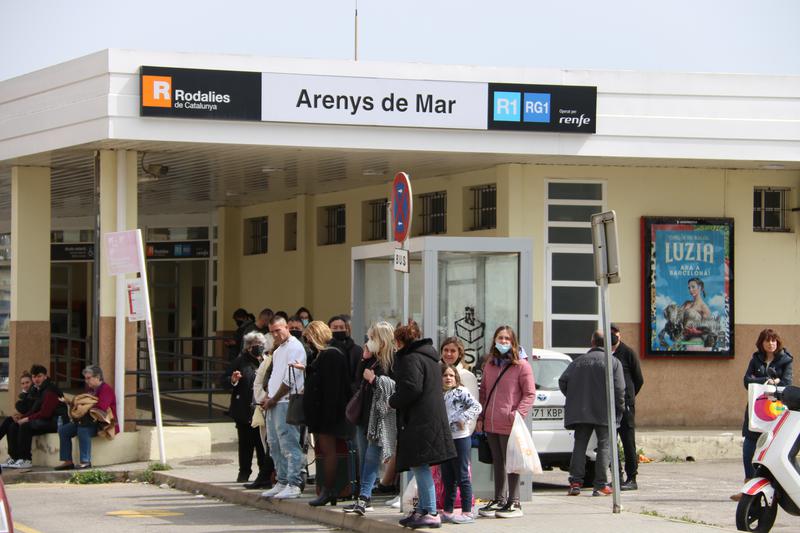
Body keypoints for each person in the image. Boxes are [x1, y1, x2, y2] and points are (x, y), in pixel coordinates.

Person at [389, 322, 456, 529]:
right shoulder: (429, 358)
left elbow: (411, 388)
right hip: (429, 419)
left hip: (418, 421)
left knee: (420, 466)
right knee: (421, 465)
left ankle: (431, 512)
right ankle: (422, 510)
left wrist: (393, 400)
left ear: (399, 342)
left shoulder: (410, 359)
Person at [476, 325, 535, 518]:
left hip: (510, 423)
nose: (503, 342)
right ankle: (499, 498)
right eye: (500, 338)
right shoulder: (490, 364)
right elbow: (484, 392)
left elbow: (529, 394)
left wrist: (516, 414)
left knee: (512, 462)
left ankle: (514, 502)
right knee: (498, 462)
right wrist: (481, 416)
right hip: (491, 423)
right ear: (494, 340)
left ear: (513, 342)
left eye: (506, 339)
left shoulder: (521, 365)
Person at [560, 331, 625, 497]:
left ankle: (575, 483)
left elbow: (563, 381)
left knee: (580, 444)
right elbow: (619, 389)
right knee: (605, 445)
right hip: (605, 411)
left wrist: (575, 397)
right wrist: (620, 408)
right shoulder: (613, 362)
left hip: (582, 410)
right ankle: (601, 485)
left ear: (592, 342)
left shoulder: (578, 362)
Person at [733, 328, 793, 501]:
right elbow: (747, 380)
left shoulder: (785, 360)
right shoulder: (756, 359)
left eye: (773, 341)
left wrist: (774, 381)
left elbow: (787, 383)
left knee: (770, 451)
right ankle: (748, 488)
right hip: (755, 410)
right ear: (762, 343)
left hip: (775, 411)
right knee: (748, 449)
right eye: (767, 341)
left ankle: (770, 488)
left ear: (778, 342)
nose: (771, 344)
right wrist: (766, 381)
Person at [297, 321, 354, 506]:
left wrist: (326, 417)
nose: (308, 344)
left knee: (328, 452)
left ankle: (329, 490)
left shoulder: (330, 355)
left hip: (328, 416)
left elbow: (332, 390)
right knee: (326, 451)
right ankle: (328, 490)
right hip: (325, 414)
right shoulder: (327, 355)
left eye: (309, 339)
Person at [343, 321, 397, 515]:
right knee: (363, 456)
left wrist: (374, 379)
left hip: (379, 417)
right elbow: (358, 381)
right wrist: (364, 359)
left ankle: (364, 497)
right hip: (363, 415)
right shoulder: (371, 358)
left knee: (371, 458)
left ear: (382, 340)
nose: (369, 341)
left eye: (373, 337)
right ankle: (362, 496)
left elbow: (390, 387)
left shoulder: (391, 360)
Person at [260, 316, 307, 500]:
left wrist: (273, 398)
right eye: (272, 331)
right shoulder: (279, 350)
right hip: (275, 401)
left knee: (289, 443)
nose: (275, 334)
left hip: (286, 401)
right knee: (274, 443)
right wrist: (267, 396)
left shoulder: (295, 347)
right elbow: (274, 376)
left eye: (278, 330)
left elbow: (290, 378)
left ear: (287, 327)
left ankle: (294, 483)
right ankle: (282, 480)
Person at [227, 332, 274, 488]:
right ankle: (244, 472)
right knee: (245, 444)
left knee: (262, 444)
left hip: (261, 409)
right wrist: (233, 380)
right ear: (248, 347)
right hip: (244, 410)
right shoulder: (240, 362)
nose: (258, 348)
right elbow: (223, 380)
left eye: (261, 344)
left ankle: (264, 474)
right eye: (254, 345)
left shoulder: (268, 361)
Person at [53, 365, 118, 470]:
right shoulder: (90, 389)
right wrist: (71, 403)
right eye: (85, 378)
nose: (86, 381)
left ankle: (85, 461)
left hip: (102, 424)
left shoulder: (106, 389)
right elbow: (83, 404)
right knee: (64, 430)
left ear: (97, 377)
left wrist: (83, 408)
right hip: (86, 421)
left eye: (89, 378)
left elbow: (100, 408)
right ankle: (68, 461)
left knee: (83, 430)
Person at [440, 364, 482, 524]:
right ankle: (448, 511)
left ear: (456, 378)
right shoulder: (439, 394)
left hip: (461, 438)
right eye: (445, 375)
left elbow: (477, 406)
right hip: (446, 439)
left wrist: (463, 418)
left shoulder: (461, 392)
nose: (448, 378)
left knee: (462, 475)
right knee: (448, 477)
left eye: (451, 375)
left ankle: (467, 511)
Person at [6, 364, 68, 469]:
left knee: (25, 426)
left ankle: (26, 460)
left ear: (45, 376)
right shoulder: (40, 389)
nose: (36, 379)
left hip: (56, 422)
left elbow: (45, 413)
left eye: (39, 376)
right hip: (45, 420)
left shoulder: (50, 390)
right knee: (14, 425)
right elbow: (34, 410)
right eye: (34, 377)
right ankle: (15, 458)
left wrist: (27, 419)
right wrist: (22, 417)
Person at [610, 323, 644, 491]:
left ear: (619, 335)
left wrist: (628, 398)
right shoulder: (604, 354)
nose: (613, 336)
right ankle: (616, 476)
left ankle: (632, 477)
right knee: (611, 442)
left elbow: (639, 379)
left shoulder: (628, 352)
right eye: (609, 333)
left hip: (625, 406)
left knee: (628, 441)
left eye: (615, 333)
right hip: (609, 406)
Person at [0, 372, 34, 465]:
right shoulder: (25, 395)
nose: (25, 385)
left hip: (32, 419)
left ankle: (24, 458)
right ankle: (14, 457)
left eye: (27, 382)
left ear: (32, 382)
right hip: (24, 417)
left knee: (13, 425)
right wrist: (18, 416)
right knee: (10, 423)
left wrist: (21, 416)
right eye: (23, 383)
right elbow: (22, 407)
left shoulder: (35, 393)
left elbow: (28, 408)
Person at [440, 337, 479, 409]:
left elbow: (473, 407)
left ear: (460, 354)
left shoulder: (467, 376)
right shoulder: (435, 373)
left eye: (453, 351)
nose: (448, 354)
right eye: (446, 350)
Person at [328, 315, 364, 391]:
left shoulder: (357, 350)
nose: (338, 330)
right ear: (329, 330)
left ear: (346, 329)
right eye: (335, 328)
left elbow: (359, 375)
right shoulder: (325, 350)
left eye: (341, 327)